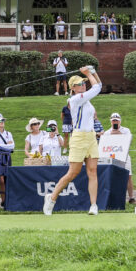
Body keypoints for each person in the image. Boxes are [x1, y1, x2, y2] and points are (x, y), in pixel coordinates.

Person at [44, 66, 102, 216]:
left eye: (84, 83)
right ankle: (51, 198)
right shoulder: (75, 99)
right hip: (78, 138)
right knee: (72, 173)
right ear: (73, 88)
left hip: (91, 137)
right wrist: (89, 73)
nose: (84, 85)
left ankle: (93, 205)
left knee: (92, 171)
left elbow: (98, 85)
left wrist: (93, 72)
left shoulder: (87, 99)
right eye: (80, 84)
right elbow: (97, 88)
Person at [103, 113, 136, 203]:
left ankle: (131, 197)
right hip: (113, 156)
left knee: (128, 176)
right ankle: (114, 198)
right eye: (113, 120)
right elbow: (105, 145)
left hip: (125, 156)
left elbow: (129, 141)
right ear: (111, 121)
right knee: (113, 177)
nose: (115, 122)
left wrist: (119, 133)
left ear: (120, 121)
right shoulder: (107, 133)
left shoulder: (126, 130)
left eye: (116, 120)